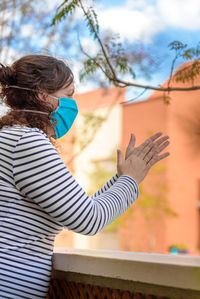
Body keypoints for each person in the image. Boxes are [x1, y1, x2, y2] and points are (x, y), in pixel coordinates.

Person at [0, 55, 170, 298]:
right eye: (68, 94)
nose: (73, 103)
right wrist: (130, 181)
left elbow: (79, 209)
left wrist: (122, 178)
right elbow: (90, 221)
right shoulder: (27, 142)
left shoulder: (12, 137)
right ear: (42, 95)